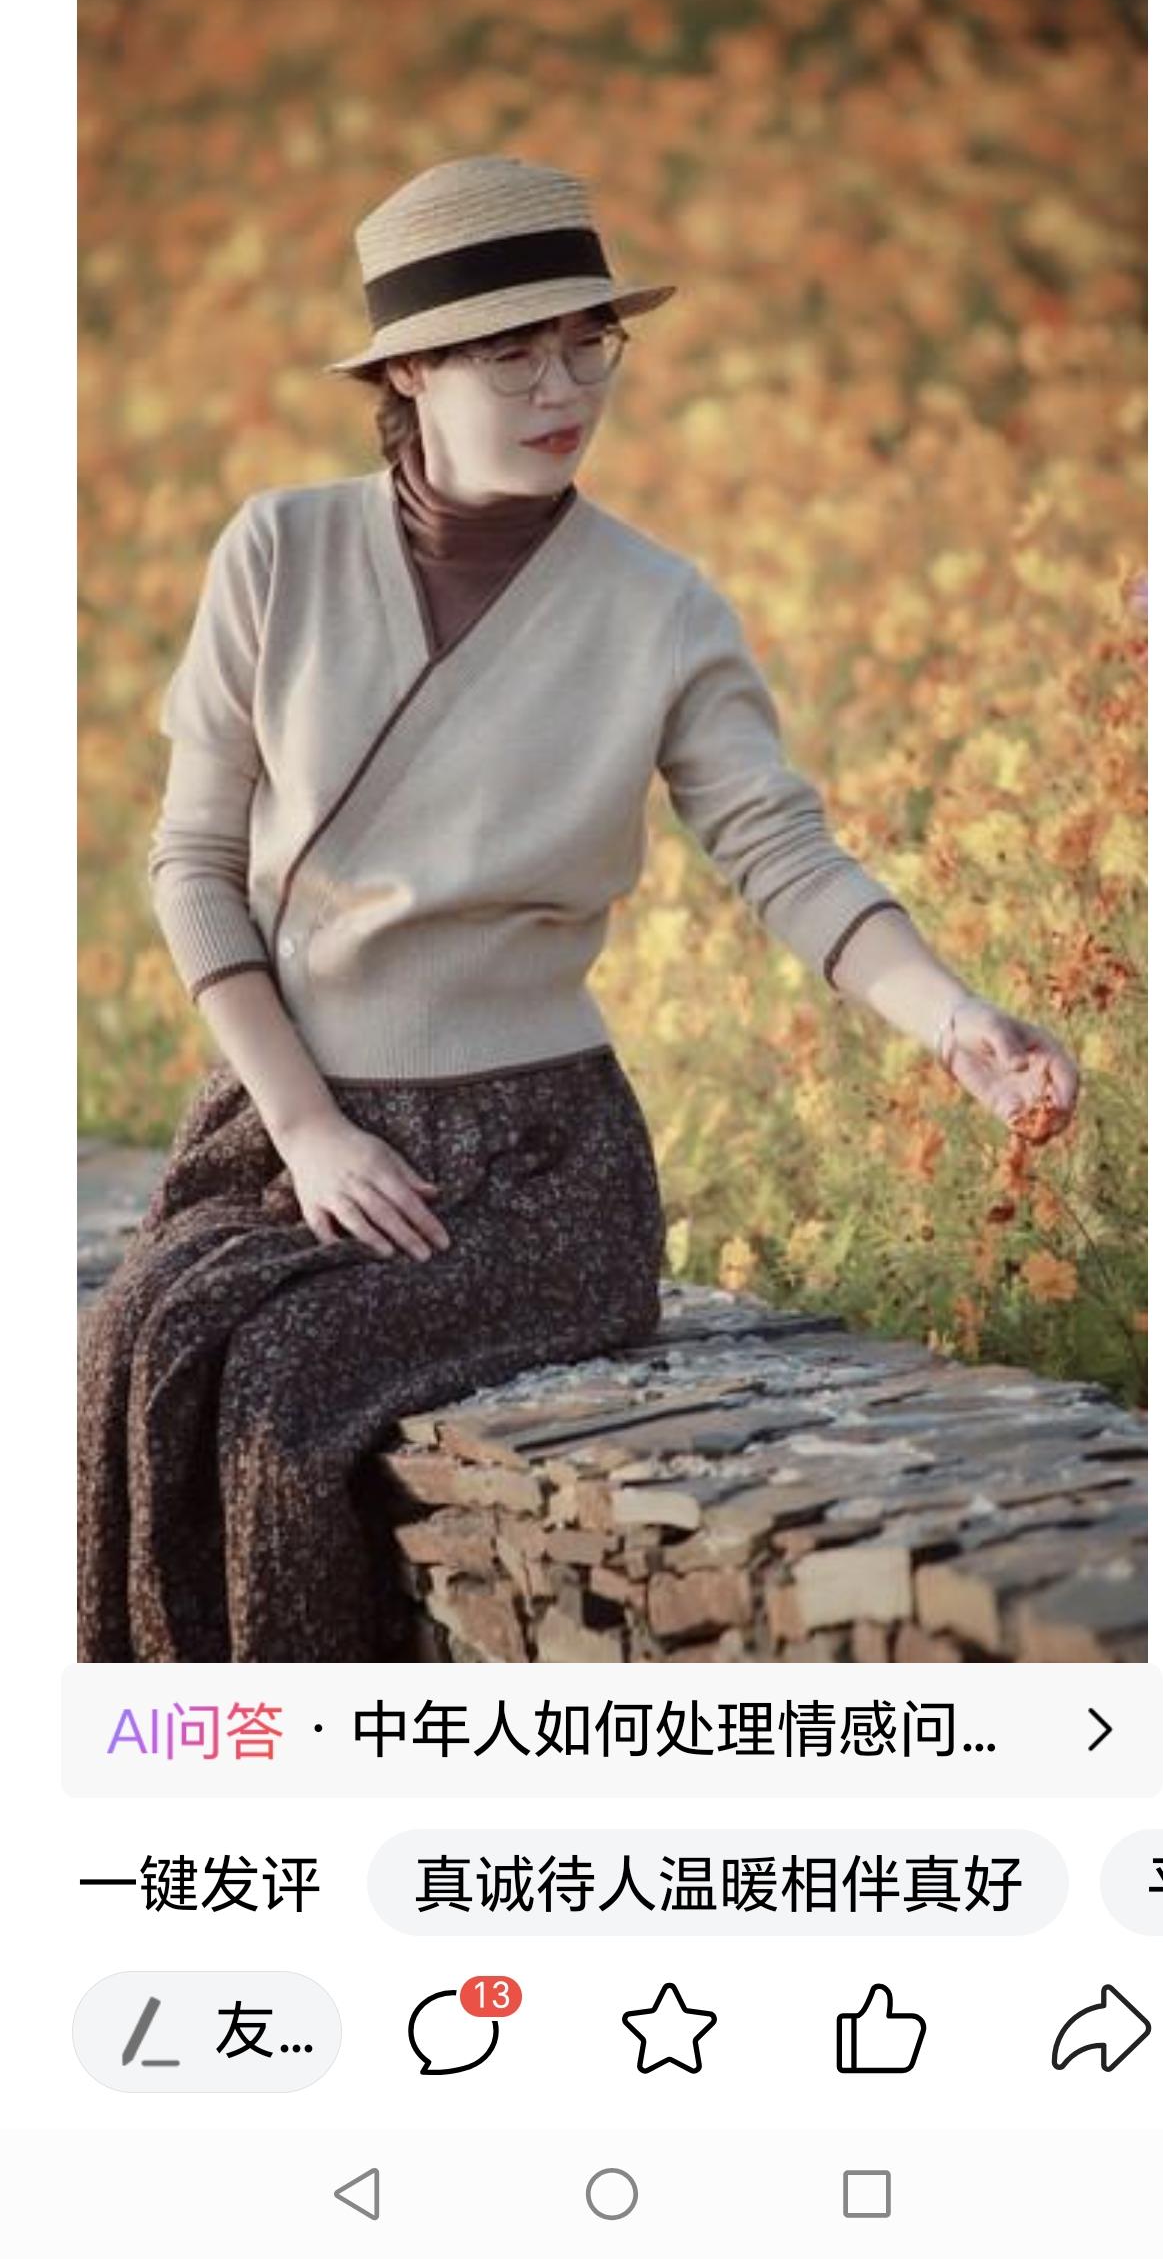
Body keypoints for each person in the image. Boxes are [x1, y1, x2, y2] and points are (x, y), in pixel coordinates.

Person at [78, 154, 1077, 1663]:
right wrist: (307, 1125)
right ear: (407, 370)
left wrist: (957, 1024)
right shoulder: (277, 554)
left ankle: (323, 1766)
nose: (563, 390)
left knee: (284, 1386)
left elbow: (782, 851)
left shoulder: (658, 607)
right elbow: (191, 861)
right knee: (138, 1353)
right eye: (510, 353)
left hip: (536, 1166)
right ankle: (182, 1765)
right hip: (286, 1128)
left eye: (588, 342)